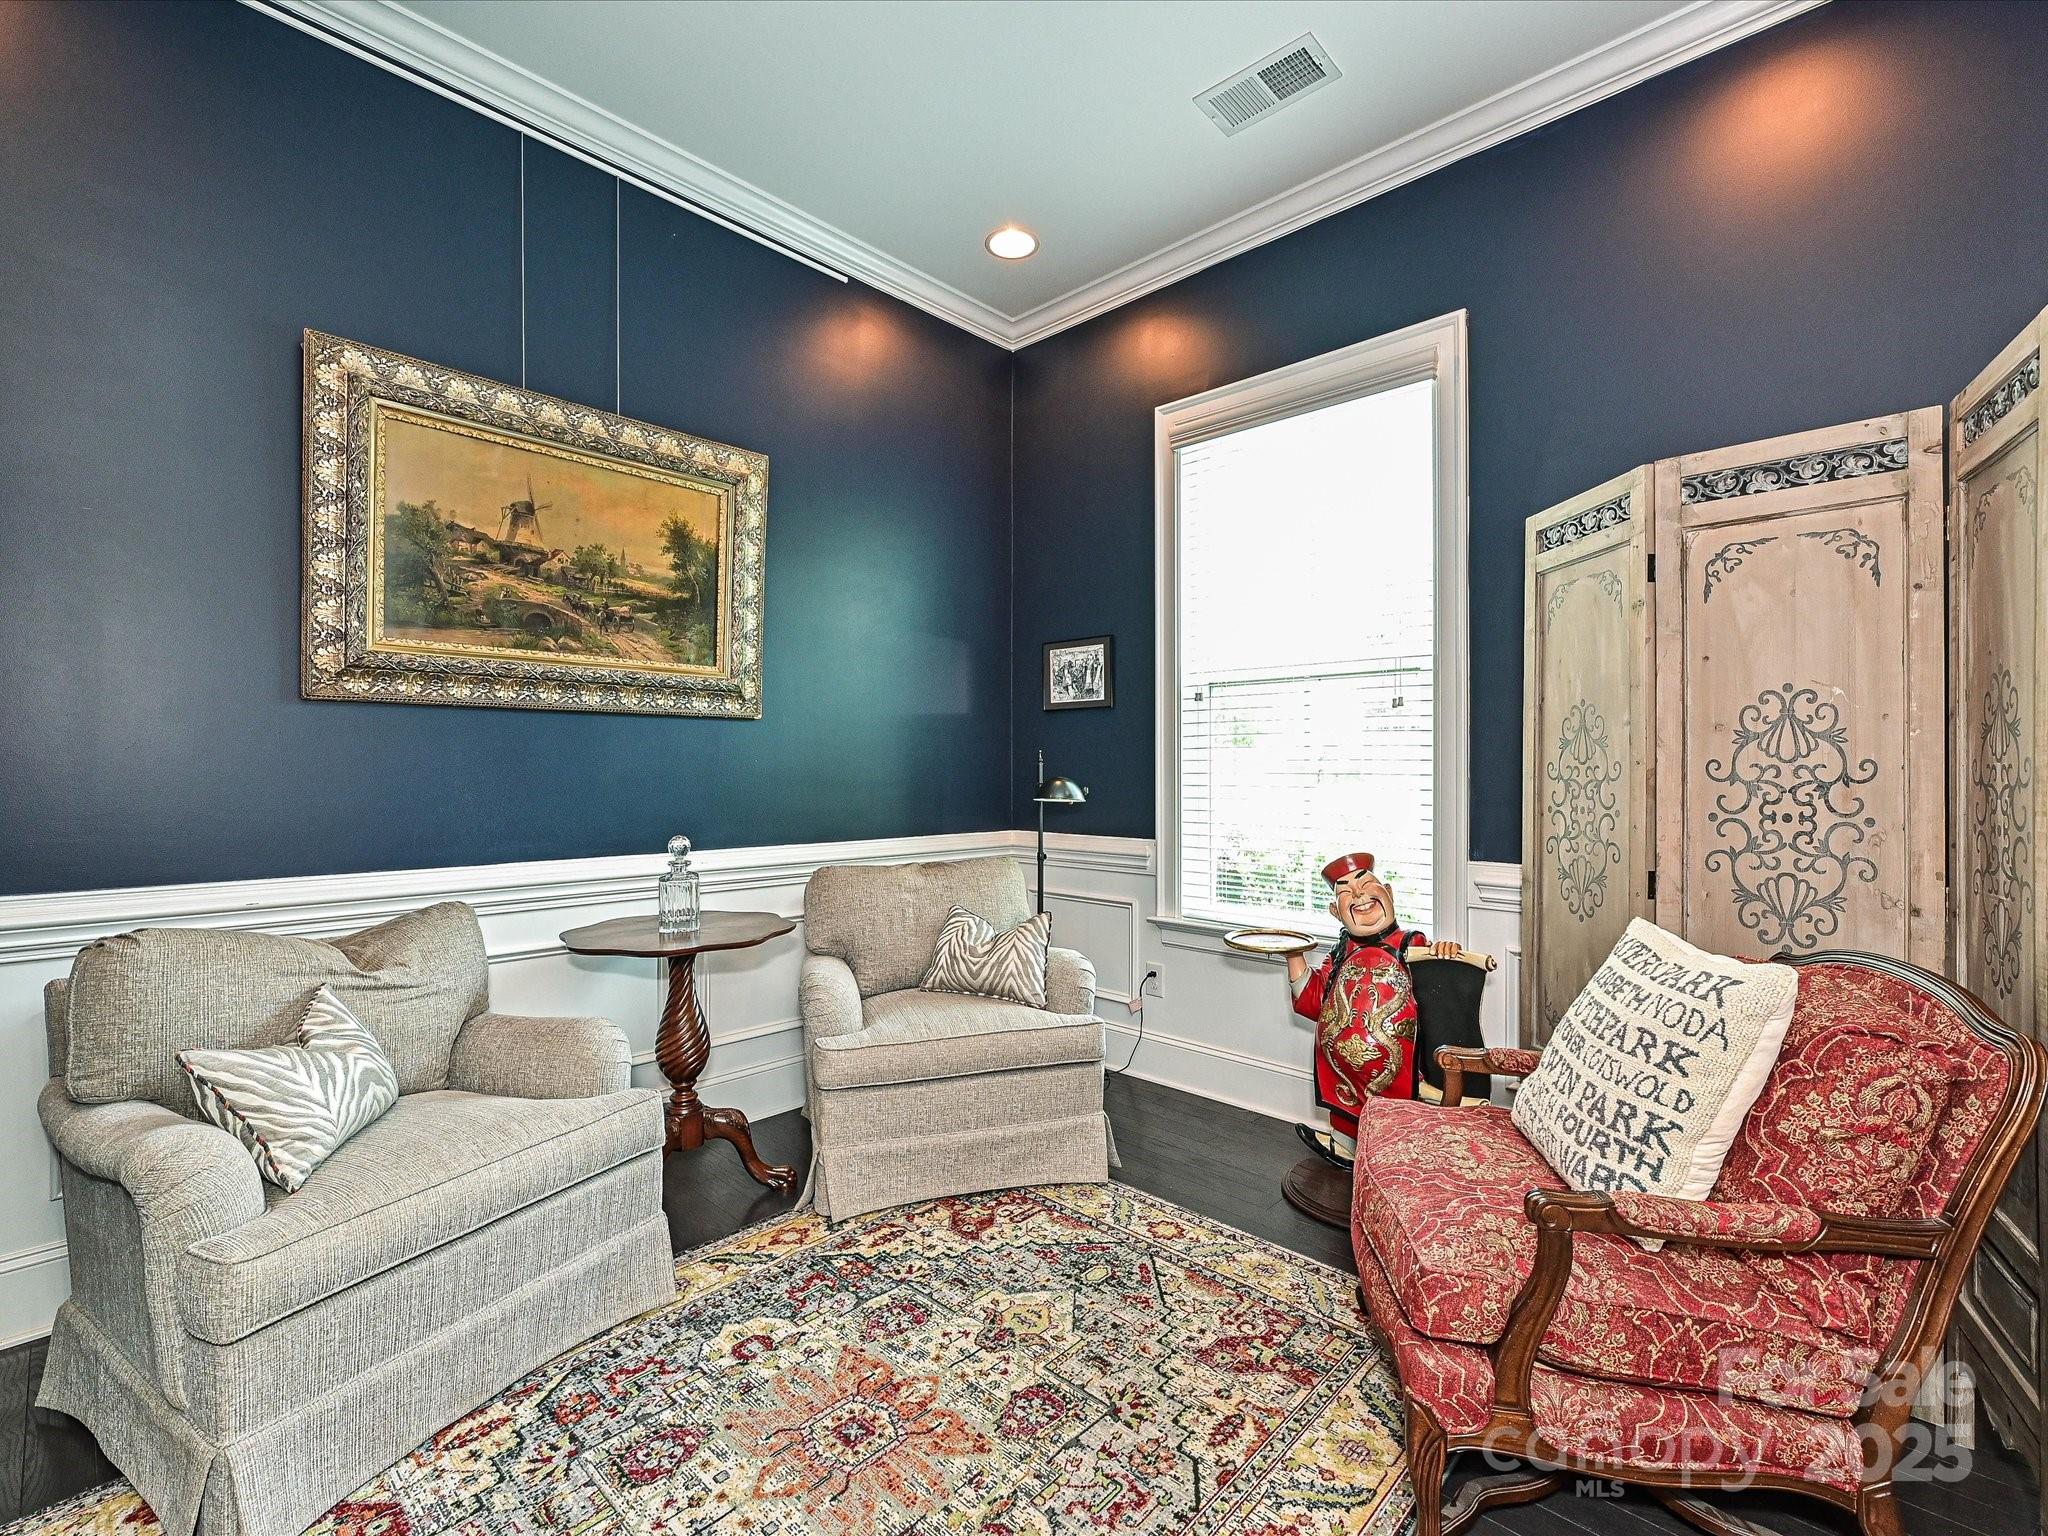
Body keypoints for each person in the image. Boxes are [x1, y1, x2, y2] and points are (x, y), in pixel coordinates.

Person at [1288, 852, 1461, 1170]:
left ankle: (1393, 1159)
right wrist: (1293, 955)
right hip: (1342, 1071)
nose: (1358, 895)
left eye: (1366, 883)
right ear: (1335, 912)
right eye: (1345, 892)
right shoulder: (1339, 954)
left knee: (1394, 1116)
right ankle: (1344, 1146)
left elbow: (1439, 990)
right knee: (1345, 1105)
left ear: (1389, 893)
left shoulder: (1411, 944)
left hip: (1398, 1069)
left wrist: (1443, 952)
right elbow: (1315, 1002)